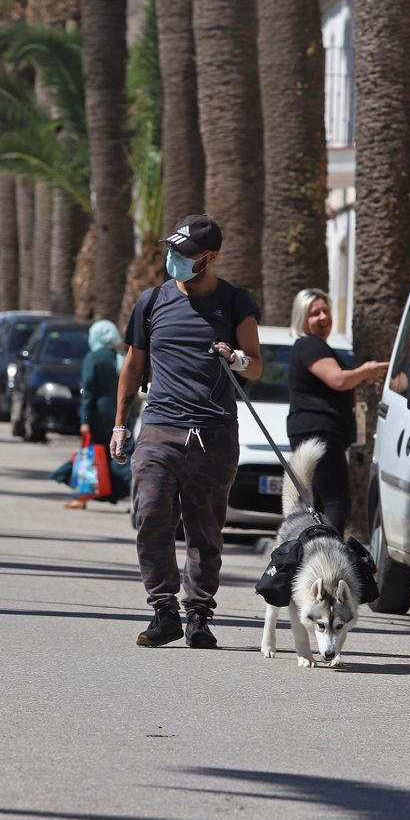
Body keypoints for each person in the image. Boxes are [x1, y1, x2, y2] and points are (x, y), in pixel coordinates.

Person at [112, 214, 262, 649]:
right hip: (159, 427)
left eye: (183, 252)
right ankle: (164, 610)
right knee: (150, 516)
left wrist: (236, 359)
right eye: (172, 249)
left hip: (213, 434)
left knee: (205, 530)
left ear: (209, 257)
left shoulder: (235, 302)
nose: (173, 257)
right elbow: (133, 365)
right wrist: (120, 424)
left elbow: (255, 364)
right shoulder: (151, 302)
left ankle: (198, 614)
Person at [285, 289, 388, 534]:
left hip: (316, 430)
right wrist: (367, 370)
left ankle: (314, 549)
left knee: (319, 504)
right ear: (302, 318)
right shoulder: (310, 345)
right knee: (334, 502)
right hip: (320, 431)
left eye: (326, 311)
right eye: (315, 313)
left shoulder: (314, 346)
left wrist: (363, 378)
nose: (323, 317)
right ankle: (329, 551)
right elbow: (339, 380)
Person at [64, 319, 132, 509]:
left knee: (91, 454)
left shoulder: (94, 357)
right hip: (121, 413)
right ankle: (134, 497)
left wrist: (85, 420)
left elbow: (88, 391)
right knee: (122, 455)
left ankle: (82, 497)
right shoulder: (121, 356)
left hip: (99, 415)